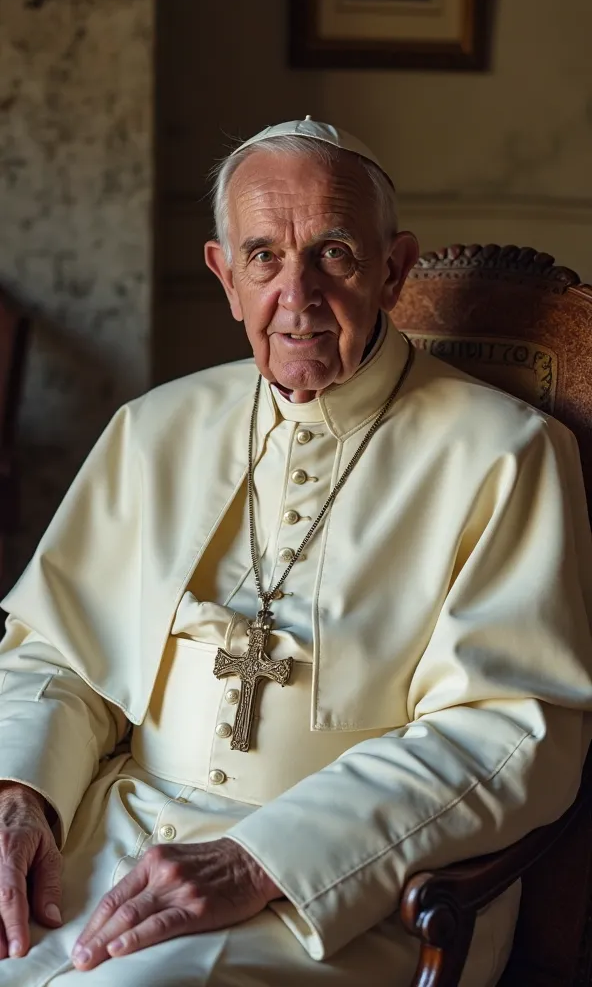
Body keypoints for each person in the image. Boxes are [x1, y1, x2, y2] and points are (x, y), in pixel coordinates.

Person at [0, 117, 591, 987]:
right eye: (265, 256)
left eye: (335, 254)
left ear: (393, 270)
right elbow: (60, 653)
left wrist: (266, 858)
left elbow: (510, 727)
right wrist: (23, 794)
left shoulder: (508, 454)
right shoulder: (154, 428)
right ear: (225, 277)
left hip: (346, 885)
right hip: (113, 824)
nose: (299, 294)